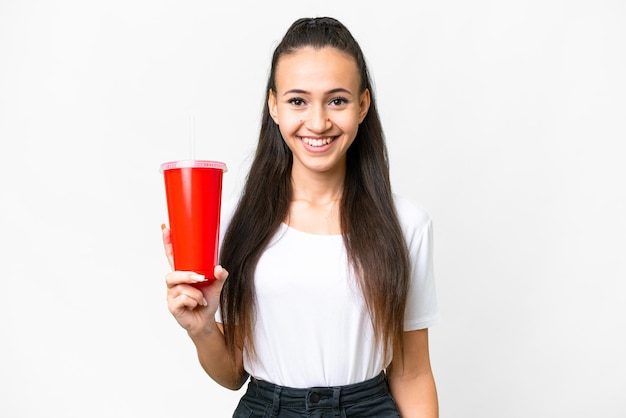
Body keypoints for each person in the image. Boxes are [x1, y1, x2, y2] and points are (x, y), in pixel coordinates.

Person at [163, 16, 439, 417]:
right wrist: (203, 328)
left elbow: (412, 374)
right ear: (274, 105)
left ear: (362, 105)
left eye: (337, 100)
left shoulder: (406, 224)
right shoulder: (235, 225)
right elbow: (232, 374)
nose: (318, 122)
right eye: (298, 100)